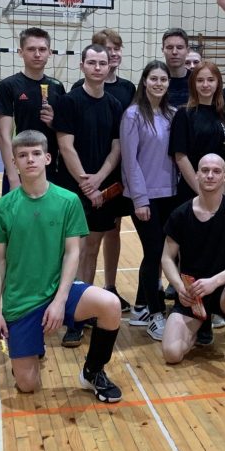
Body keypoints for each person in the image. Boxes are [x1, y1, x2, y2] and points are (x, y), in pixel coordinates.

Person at [0, 131, 123, 402]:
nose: (30, 159)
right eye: (23, 155)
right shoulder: (3, 207)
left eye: (36, 153)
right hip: (21, 301)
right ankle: (30, 349)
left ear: (47, 158)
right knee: (28, 385)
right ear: (13, 162)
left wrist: (59, 301)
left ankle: (93, 371)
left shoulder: (68, 201)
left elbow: (73, 253)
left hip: (58, 290)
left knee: (111, 305)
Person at [52, 44, 128, 347]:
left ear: (109, 67)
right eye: (92, 63)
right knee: (77, 250)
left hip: (102, 188)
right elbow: (65, 145)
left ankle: (84, 310)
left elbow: (117, 147)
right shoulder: (69, 101)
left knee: (93, 247)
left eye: (102, 63)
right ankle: (72, 317)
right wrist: (86, 182)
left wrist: (98, 179)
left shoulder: (114, 104)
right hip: (74, 189)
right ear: (82, 65)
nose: (98, 68)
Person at [159, 154, 225, 370]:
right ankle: (200, 326)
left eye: (216, 171)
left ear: (224, 177)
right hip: (193, 293)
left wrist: (214, 282)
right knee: (172, 354)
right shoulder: (180, 214)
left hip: (223, 291)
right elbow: (167, 258)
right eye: (205, 170)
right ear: (197, 175)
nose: (210, 175)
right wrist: (179, 287)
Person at [73, 27, 137, 312]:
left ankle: (110, 287)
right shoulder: (81, 87)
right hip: (88, 174)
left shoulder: (128, 88)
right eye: (107, 49)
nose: (113, 53)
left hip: (117, 171)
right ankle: (82, 295)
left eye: (116, 48)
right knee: (88, 238)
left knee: (114, 229)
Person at [120, 61, 178, 341]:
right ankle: (155, 314)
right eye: (153, 78)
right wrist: (140, 199)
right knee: (154, 252)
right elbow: (130, 162)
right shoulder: (133, 115)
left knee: (163, 253)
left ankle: (141, 308)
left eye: (163, 79)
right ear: (144, 81)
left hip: (171, 195)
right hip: (145, 197)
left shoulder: (171, 114)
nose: (158, 84)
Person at [0, 27, 66, 193]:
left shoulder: (57, 87)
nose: (37, 54)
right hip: (20, 167)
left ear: (50, 53)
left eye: (42, 49)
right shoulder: (8, 86)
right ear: (21, 52)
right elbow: (4, 135)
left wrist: (54, 123)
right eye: (31, 49)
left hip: (49, 168)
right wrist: (13, 178)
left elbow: (64, 131)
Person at [171, 61, 225, 196]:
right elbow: (180, 157)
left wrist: (222, 192)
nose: (205, 85)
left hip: (219, 191)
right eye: (200, 80)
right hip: (191, 190)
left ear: (218, 83)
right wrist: (201, 192)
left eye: (210, 80)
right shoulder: (183, 114)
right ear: (193, 84)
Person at [163, 28, 192, 109]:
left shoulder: (196, 80)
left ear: (187, 50)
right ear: (163, 50)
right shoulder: (155, 81)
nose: (174, 52)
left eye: (179, 47)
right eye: (169, 47)